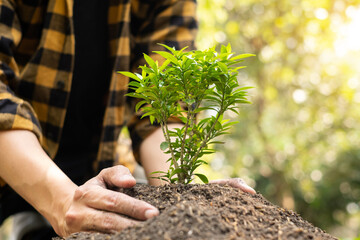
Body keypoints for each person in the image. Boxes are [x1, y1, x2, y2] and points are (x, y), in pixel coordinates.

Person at [0, 0, 256, 239]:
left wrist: (180, 197)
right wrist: (61, 201)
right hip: (11, 151)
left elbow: (164, 102)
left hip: (94, 162)